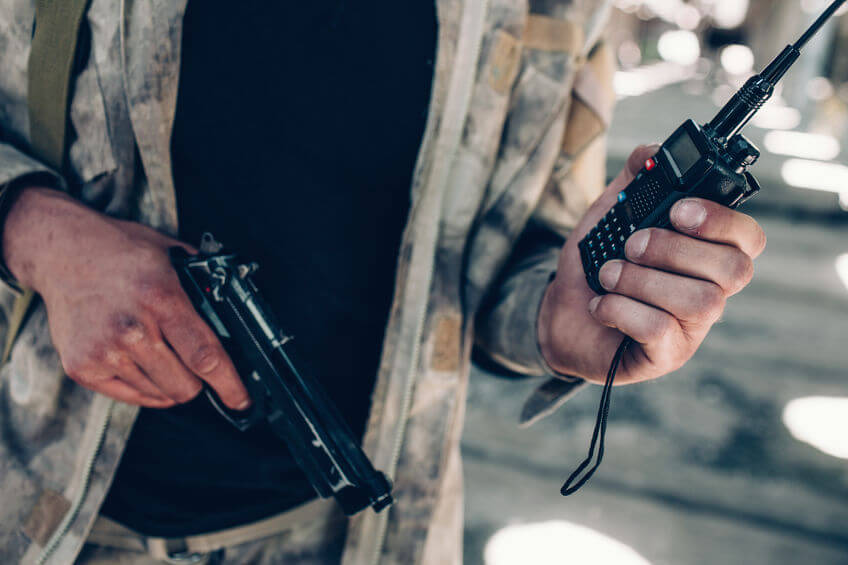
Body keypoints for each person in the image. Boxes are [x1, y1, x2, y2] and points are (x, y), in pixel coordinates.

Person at [0, 1, 765, 563]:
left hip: (369, 537)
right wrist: (34, 231)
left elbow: (522, 242)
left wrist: (554, 317)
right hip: (53, 515)